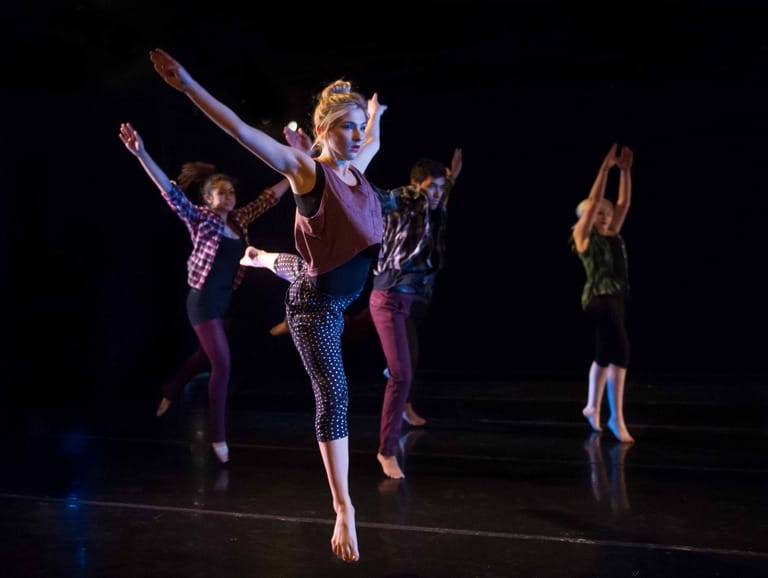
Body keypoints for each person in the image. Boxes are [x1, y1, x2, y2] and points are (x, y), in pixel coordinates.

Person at [149, 47, 386, 563]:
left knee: (298, 267)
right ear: (324, 130)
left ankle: (257, 256)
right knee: (336, 394)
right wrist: (188, 83)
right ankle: (343, 507)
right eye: (348, 128)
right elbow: (238, 129)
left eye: (360, 127)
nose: (356, 137)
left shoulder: (356, 168)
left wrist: (378, 116)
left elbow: (373, 142)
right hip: (317, 309)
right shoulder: (308, 171)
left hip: (325, 281)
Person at [118, 122, 290, 464]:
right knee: (222, 366)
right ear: (208, 199)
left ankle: (170, 389)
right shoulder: (201, 219)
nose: (228, 197)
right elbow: (169, 191)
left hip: (224, 301)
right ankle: (218, 437)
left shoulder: (239, 220)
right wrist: (141, 153)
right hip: (201, 303)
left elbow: (270, 197)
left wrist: (298, 167)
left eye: (230, 192)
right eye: (221, 193)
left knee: (204, 358)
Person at [367, 151, 463, 479]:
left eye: (441, 187)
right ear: (415, 185)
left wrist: (450, 180)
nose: (436, 193)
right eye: (431, 187)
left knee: (408, 362)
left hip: (414, 300)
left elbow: (440, 195)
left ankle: (399, 391)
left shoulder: (434, 207)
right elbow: (383, 198)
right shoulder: (407, 202)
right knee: (401, 374)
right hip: (390, 299)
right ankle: (387, 450)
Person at [570, 143, 635, 444]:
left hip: (616, 297)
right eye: (598, 213)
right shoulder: (583, 238)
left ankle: (593, 406)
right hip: (598, 298)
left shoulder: (613, 235)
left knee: (605, 353)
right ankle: (615, 417)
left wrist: (625, 172)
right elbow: (596, 200)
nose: (605, 215)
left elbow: (623, 204)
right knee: (620, 351)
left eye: (607, 213)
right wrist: (603, 170)